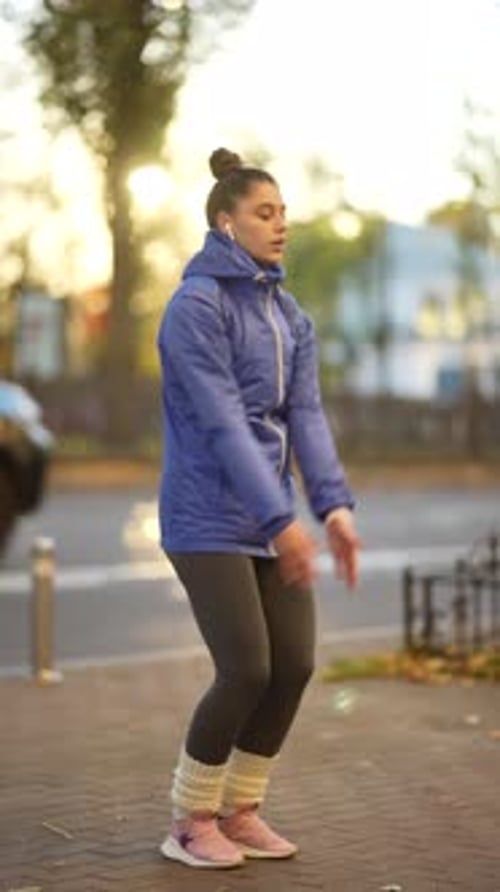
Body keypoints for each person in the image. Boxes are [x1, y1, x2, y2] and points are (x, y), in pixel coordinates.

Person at [157, 147, 360, 870]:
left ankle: (240, 811)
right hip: (205, 515)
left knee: (294, 664)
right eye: (264, 214)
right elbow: (219, 421)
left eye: (284, 216)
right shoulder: (195, 307)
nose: (280, 227)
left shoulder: (288, 315)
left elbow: (304, 414)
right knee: (244, 667)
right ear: (225, 221)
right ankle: (189, 821)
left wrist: (332, 507)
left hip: (267, 517)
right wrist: (282, 519)